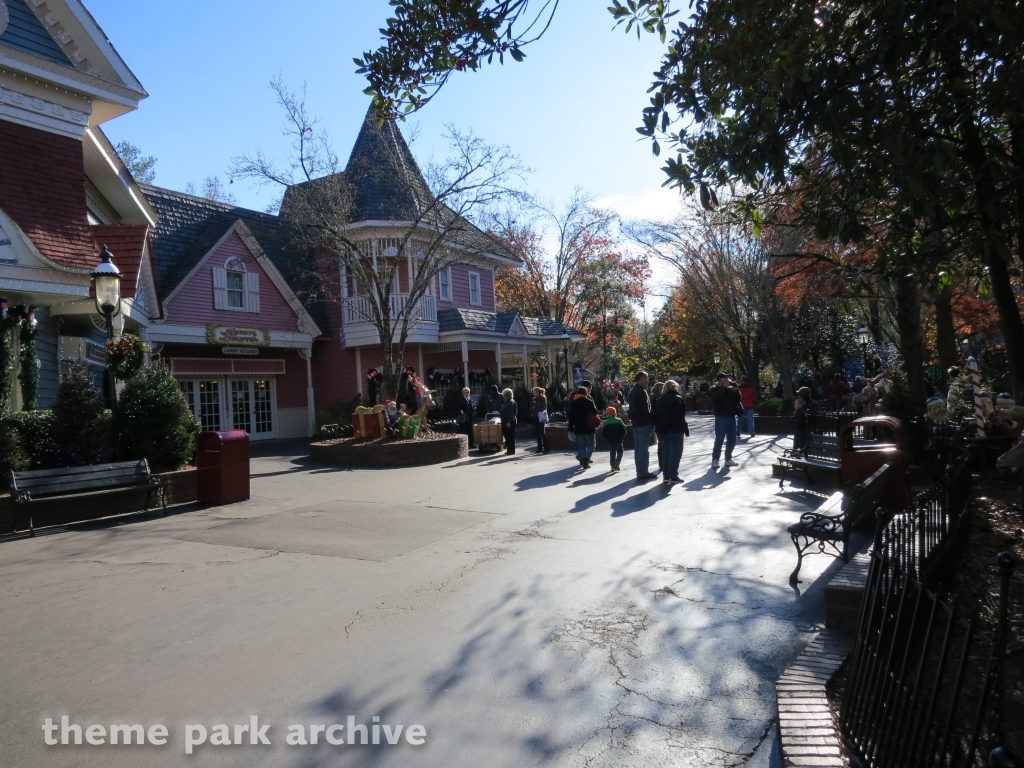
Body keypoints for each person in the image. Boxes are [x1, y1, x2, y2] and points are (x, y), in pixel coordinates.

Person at [652, 379, 688, 484]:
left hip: (662, 431)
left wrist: (661, 424)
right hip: (675, 429)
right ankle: (673, 475)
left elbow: (653, 416)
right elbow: (678, 415)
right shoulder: (678, 399)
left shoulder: (658, 400)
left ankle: (666, 475)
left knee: (665, 452)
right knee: (675, 452)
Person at [627, 371, 659, 481]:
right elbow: (645, 409)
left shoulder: (632, 391)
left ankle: (640, 470)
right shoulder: (641, 392)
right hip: (644, 423)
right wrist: (651, 420)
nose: (648, 380)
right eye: (646, 378)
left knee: (638, 449)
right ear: (641, 379)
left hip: (636, 423)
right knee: (643, 449)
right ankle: (643, 471)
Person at [709, 372, 740, 470]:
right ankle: (715, 460)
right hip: (721, 417)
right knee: (719, 440)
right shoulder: (713, 389)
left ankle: (728, 458)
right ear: (719, 380)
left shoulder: (730, 389)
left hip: (731, 416)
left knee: (732, 439)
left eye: (727, 379)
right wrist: (722, 388)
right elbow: (716, 398)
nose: (727, 381)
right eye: (724, 379)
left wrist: (735, 386)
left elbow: (738, 399)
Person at [568, 385, 599, 469]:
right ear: (586, 393)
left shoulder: (573, 403)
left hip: (578, 428)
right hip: (589, 427)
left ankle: (583, 460)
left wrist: (570, 429)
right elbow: (595, 412)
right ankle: (586, 458)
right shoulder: (589, 401)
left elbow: (571, 418)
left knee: (582, 446)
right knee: (591, 445)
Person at [602, 406, 627, 472]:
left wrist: (607, 437)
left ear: (607, 414)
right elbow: (624, 428)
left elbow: (603, 432)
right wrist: (622, 436)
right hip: (619, 439)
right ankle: (617, 462)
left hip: (610, 440)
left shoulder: (605, 422)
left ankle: (612, 465)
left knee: (612, 453)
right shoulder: (619, 420)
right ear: (615, 413)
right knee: (620, 451)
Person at [531, 386, 549, 454]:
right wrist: (535, 407)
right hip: (535, 416)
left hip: (541, 417)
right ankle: (539, 448)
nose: (533, 393)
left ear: (538, 392)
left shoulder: (543, 398)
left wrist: (535, 407)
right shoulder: (533, 399)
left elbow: (542, 407)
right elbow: (531, 408)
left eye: (534, 392)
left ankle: (546, 448)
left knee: (542, 432)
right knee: (537, 433)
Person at [499, 388, 518, 455]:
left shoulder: (510, 403)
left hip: (509, 422)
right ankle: (509, 449)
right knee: (507, 436)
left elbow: (511, 413)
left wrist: (509, 422)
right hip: (505, 421)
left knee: (510, 437)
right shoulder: (506, 402)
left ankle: (511, 451)